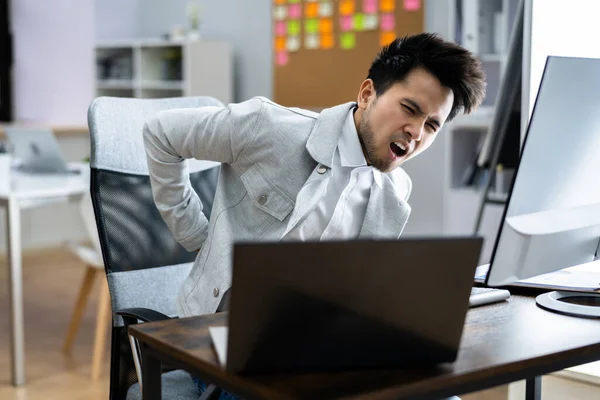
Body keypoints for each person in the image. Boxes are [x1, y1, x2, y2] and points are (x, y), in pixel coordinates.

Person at [143, 32, 485, 399]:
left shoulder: (395, 191)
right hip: (223, 342)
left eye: (432, 125)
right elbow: (160, 134)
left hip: (322, 345)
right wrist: (197, 235)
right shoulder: (268, 126)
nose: (416, 133)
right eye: (410, 109)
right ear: (367, 94)